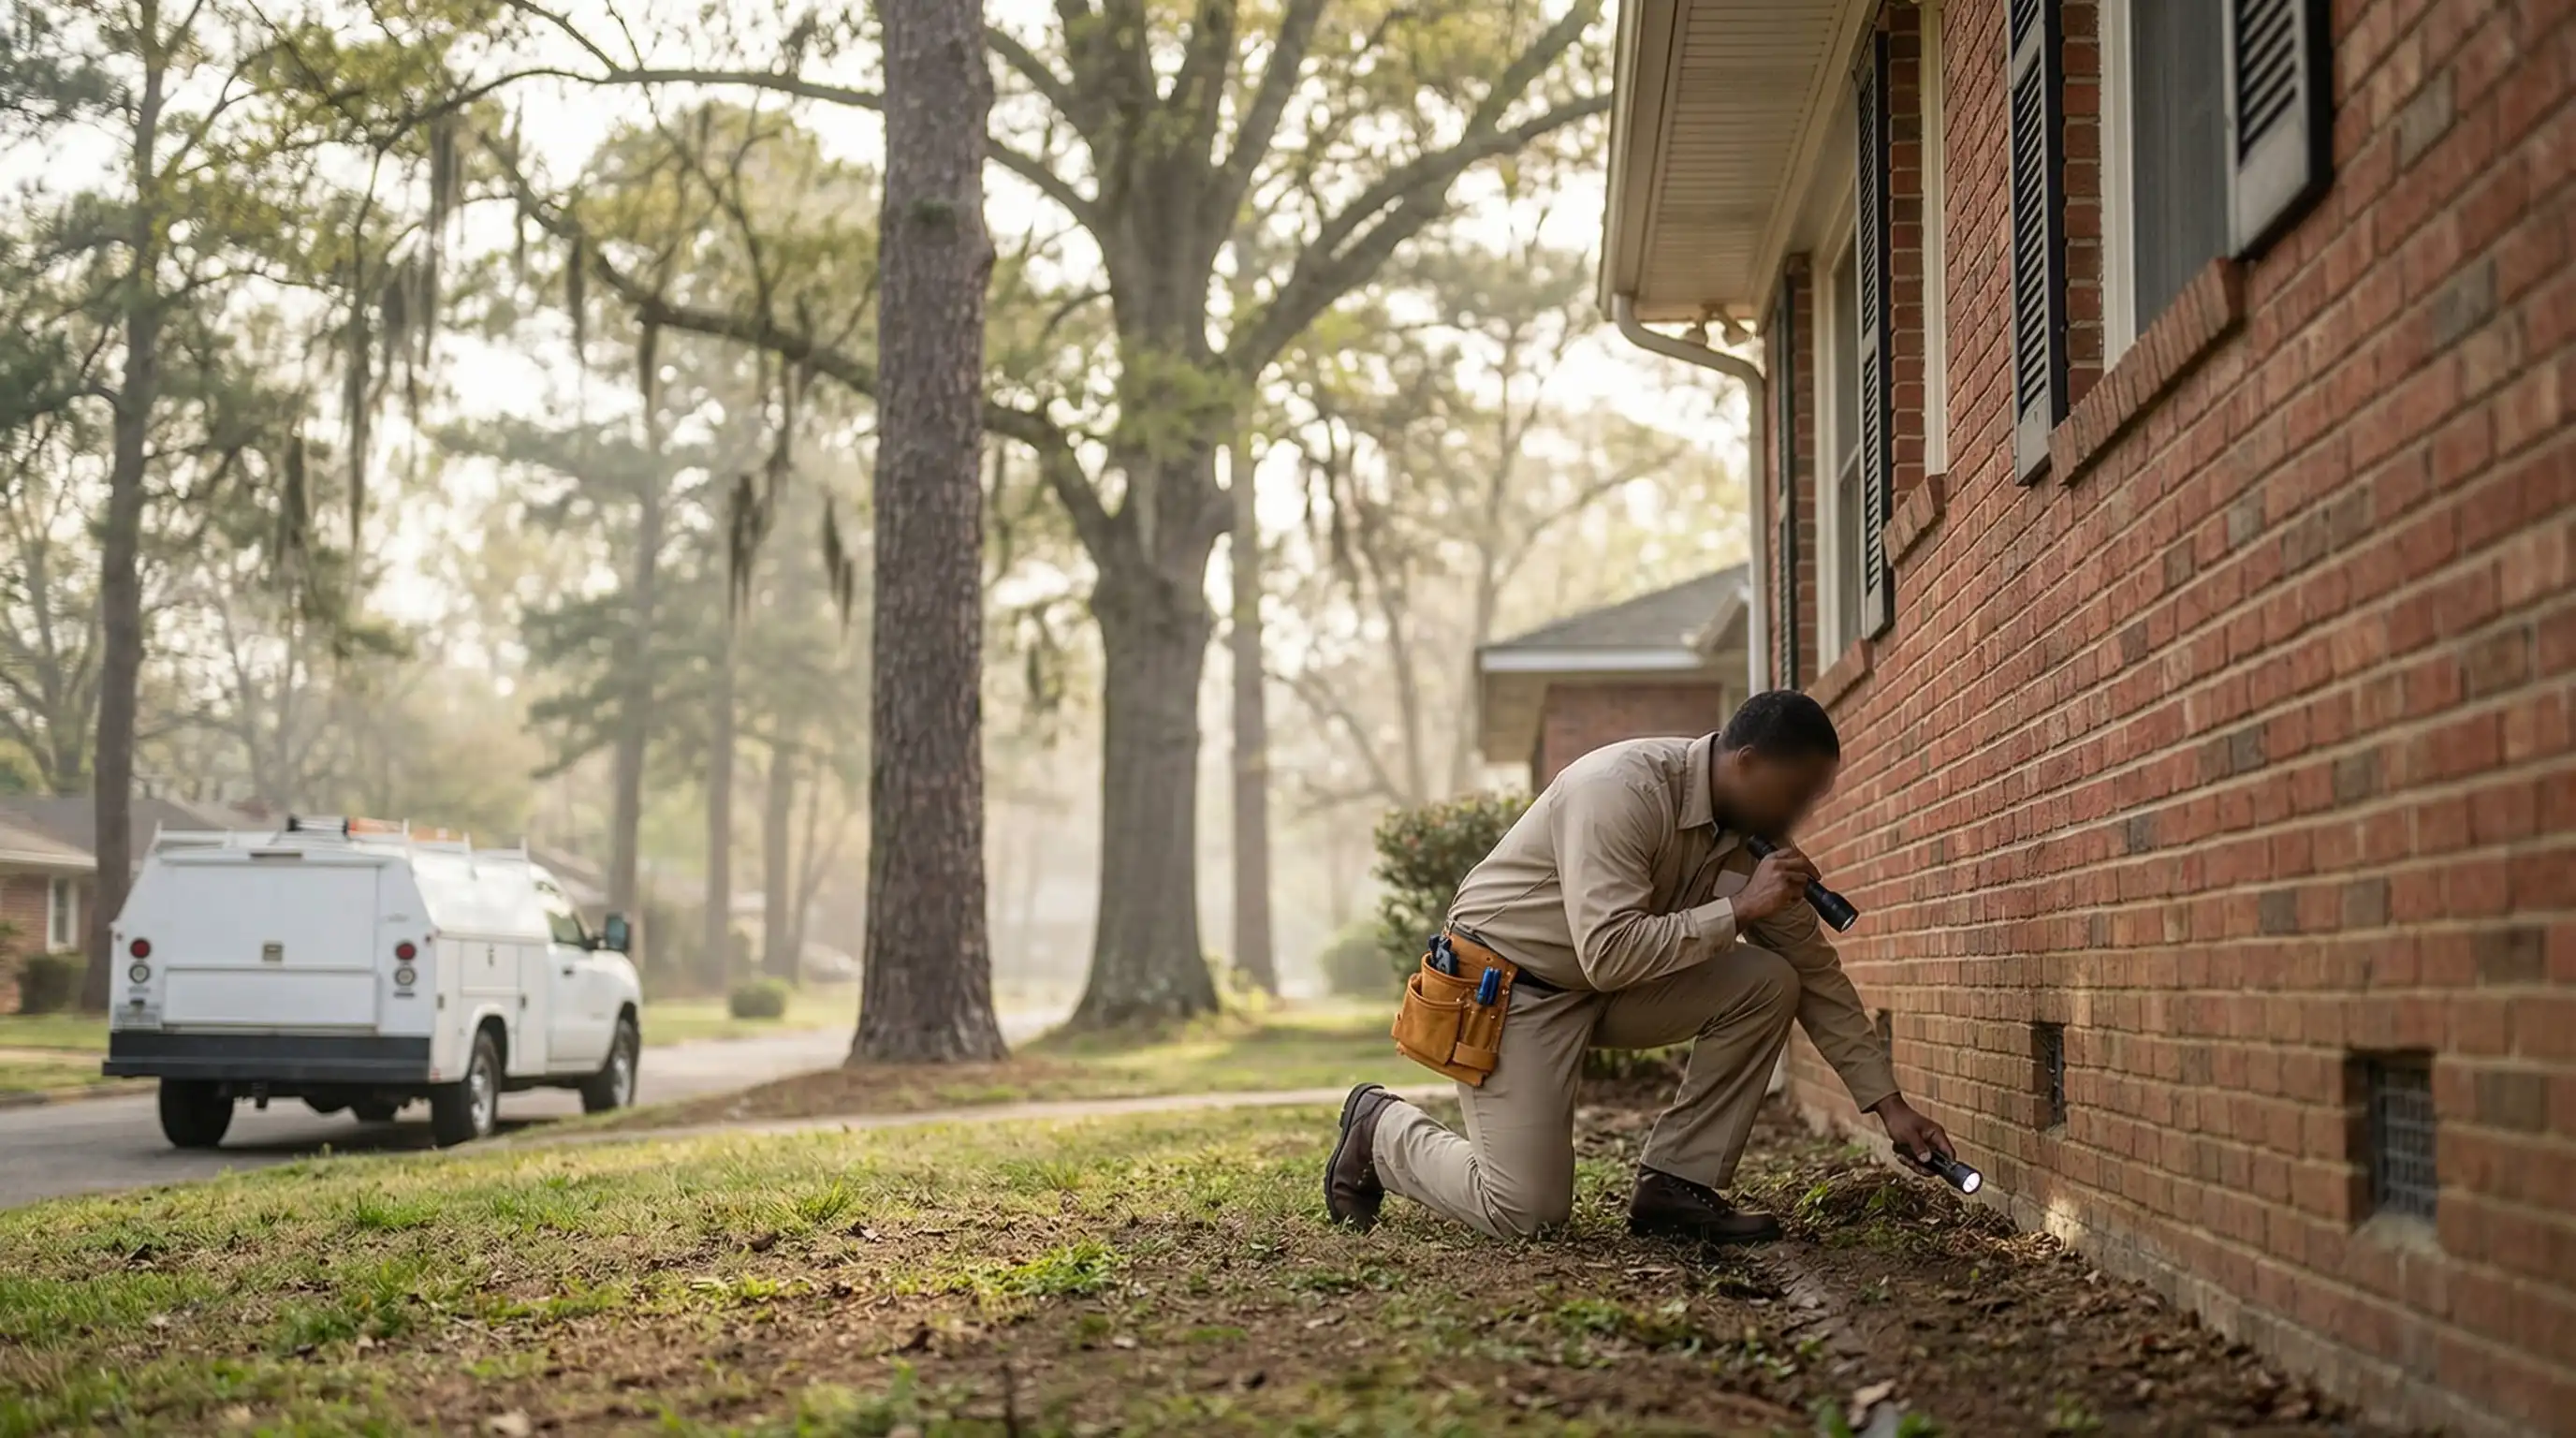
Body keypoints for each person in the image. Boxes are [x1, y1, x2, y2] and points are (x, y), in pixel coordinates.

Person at [1325, 690, 1955, 1243]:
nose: (1801, 816)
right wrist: (1740, 908)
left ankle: (1678, 1185)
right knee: (1526, 1211)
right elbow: (1607, 952)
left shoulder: (1753, 840)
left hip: (1605, 984)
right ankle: (1380, 1132)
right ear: (1748, 763)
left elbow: (1816, 975)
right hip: (1513, 990)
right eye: (1796, 795)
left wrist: (1890, 1107)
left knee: (1772, 981)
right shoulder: (1619, 790)